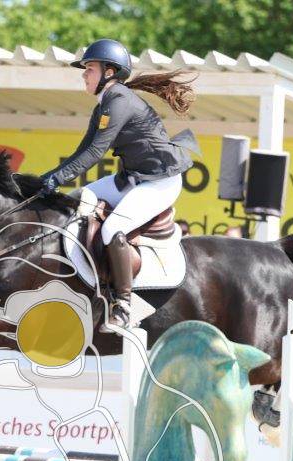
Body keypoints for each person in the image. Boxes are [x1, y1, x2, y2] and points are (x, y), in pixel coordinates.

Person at [39, 39, 198, 328]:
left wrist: (56, 178)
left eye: (89, 68)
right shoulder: (105, 103)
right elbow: (81, 151)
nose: (84, 74)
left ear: (109, 72)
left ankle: (123, 304)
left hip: (159, 181)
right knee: (76, 199)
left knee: (112, 228)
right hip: (132, 179)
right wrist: (48, 178)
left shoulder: (119, 100)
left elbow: (94, 153)